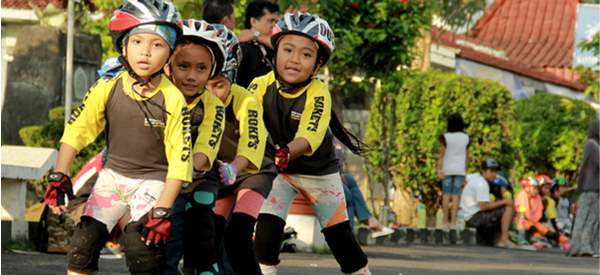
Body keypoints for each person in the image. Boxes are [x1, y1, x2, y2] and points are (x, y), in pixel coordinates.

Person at [42, 1, 191, 274]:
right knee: (82, 245)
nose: (145, 52)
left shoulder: (173, 98)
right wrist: (60, 174)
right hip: (113, 177)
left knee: (140, 247)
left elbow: (181, 160)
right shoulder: (107, 86)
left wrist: (163, 210)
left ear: (170, 53)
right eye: (136, 41)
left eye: (157, 45)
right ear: (123, 46)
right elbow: (78, 130)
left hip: (153, 180)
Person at [249, 12, 372, 275]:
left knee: (341, 242)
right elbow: (245, 121)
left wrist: (285, 152)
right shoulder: (259, 86)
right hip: (279, 172)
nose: (294, 59)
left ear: (317, 66)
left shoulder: (318, 92)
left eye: (306, 54)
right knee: (265, 241)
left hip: (319, 172)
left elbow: (310, 136)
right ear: (274, 54)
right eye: (288, 50)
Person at [205, 24, 278, 275]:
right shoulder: (190, 99)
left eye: (219, 85)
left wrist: (233, 168)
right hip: (219, 174)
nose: (212, 93)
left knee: (238, 234)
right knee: (207, 237)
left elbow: (253, 143)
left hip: (252, 170)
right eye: (206, 85)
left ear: (232, 78)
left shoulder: (245, 99)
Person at [163, 19, 227, 275]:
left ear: (212, 71)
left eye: (202, 68)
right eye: (183, 66)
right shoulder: (158, 97)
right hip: (160, 177)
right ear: (168, 66)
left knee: (202, 234)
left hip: (199, 177)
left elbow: (205, 150)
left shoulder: (214, 106)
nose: (191, 76)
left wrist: (179, 176)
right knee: (167, 240)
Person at [333, 139, 393, 238]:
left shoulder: (334, 134)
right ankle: (349, 239)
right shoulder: (321, 129)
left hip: (332, 174)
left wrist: (339, 174)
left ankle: (369, 219)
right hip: (319, 175)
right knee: (347, 197)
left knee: (350, 181)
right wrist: (337, 174)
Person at [459, 159, 520, 249]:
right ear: (483, 172)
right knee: (508, 207)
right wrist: (504, 201)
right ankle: (503, 239)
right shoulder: (482, 184)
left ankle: (505, 234)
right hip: (474, 218)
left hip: (470, 216)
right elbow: (483, 207)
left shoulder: (476, 177)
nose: (494, 174)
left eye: (495, 171)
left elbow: (464, 179)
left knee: (503, 205)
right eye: (491, 171)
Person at [568, 118, 599, 257]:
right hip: (590, 187)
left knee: (594, 219)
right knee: (584, 217)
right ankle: (579, 246)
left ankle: (591, 245)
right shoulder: (592, 145)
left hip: (597, 187)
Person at [235, 0, 280, 88]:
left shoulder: (270, 47)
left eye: (276, 21)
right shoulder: (242, 49)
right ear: (253, 22)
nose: (274, 26)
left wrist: (255, 36)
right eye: (270, 21)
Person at [436, 113, 470, 228]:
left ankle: (445, 222)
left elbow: (441, 155)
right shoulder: (466, 138)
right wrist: (465, 173)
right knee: (456, 196)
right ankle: (454, 223)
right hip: (459, 170)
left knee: (446, 195)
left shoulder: (446, 137)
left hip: (447, 170)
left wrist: (438, 169)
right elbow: (467, 158)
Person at [515, 177, 568, 248]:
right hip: (525, 220)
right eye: (534, 188)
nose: (536, 191)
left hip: (535, 221)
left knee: (545, 230)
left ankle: (564, 240)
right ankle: (537, 238)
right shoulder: (523, 195)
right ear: (528, 188)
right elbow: (522, 213)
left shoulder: (538, 197)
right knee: (531, 226)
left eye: (537, 189)